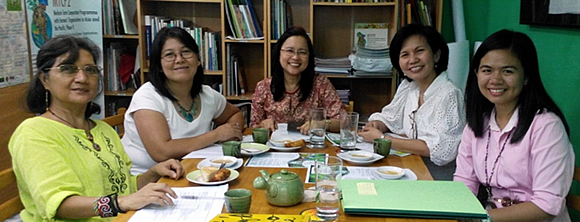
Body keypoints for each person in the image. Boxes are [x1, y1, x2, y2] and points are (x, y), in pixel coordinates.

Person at [9, 35, 184, 222]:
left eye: (90, 70)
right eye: (68, 69)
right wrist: (122, 202)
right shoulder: (34, 133)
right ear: (45, 79)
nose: (82, 78)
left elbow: (123, 189)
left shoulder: (102, 130)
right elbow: (59, 205)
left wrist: (153, 173)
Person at [453, 30, 574, 221]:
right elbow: (464, 183)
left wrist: (481, 218)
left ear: (526, 77)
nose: (496, 80)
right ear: (476, 74)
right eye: (487, 70)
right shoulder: (477, 124)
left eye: (508, 71)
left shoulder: (546, 126)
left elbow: (546, 204)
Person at [122, 27, 244, 175]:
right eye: (169, 55)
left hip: (194, 171)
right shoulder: (147, 97)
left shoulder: (207, 94)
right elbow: (162, 152)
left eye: (186, 52)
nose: (179, 59)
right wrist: (216, 135)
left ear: (198, 59)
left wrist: (230, 136)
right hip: (145, 179)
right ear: (159, 66)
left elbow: (235, 114)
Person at [358, 24, 465, 180]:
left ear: (436, 55)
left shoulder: (449, 94)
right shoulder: (409, 87)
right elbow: (390, 117)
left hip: (436, 177)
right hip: (410, 165)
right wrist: (377, 125)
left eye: (419, 51)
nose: (413, 60)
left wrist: (382, 140)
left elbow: (439, 150)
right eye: (405, 54)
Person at [250, 26, 345, 134]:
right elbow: (253, 127)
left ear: (309, 57)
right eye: (290, 51)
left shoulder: (321, 84)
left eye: (302, 52)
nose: (295, 57)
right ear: (279, 53)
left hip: (311, 148)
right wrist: (263, 124)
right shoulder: (263, 87)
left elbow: (343, 121)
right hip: (275, 148)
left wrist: (322, 123)